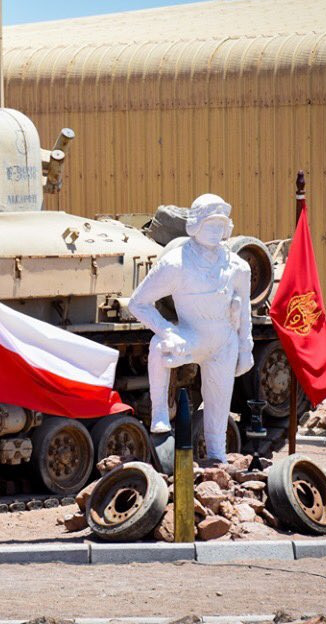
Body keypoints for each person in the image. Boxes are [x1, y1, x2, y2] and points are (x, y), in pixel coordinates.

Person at [129, 193, 253, 464]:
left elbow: (244, 312)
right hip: (191, 336)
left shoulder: (238, 267)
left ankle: (218, 457)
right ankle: (160, 411)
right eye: (209, 225)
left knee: (219, 405)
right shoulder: (175, 263)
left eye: (220, 226)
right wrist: (167, 330)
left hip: (224, 341)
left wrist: (246, 346)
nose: (215, 231)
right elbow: (138, 303)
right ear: (195, 225)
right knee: (159, 348)